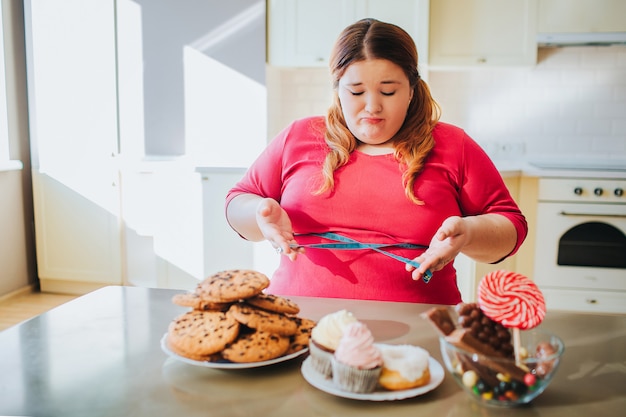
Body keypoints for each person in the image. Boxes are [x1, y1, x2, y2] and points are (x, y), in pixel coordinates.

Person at [225, 18, 527, 305]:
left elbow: (512, 227)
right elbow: (237, 202)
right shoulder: (299, 136)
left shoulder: (453, 146)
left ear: (411, 89)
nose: (373, 106)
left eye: (388, 91)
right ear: (337, 90)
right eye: (356, 91)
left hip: (418, 335)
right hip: (300, 325)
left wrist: (470, 234)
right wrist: (258, 214)